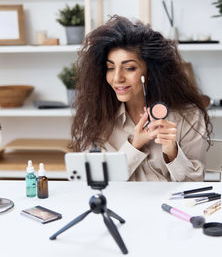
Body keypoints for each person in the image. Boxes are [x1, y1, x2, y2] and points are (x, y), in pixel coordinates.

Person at [71, 15, 212, 181]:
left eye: (129, 68)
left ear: (151, 72)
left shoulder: (189, 116)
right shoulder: (97, 117)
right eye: (110, 68)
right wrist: (134, 145)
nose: (117, 78)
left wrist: (172, 151)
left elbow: (194, 184)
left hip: (167, 206)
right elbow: (96, 181)